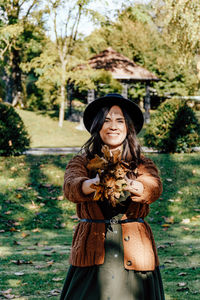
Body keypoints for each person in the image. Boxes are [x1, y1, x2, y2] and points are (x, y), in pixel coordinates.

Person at [60, 93, 165, 300]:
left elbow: (154, 187)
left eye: (120, 121)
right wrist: (91, 184)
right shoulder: (82, 162)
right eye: (107, 120)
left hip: (136, 252)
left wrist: (133, 185)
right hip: (92, 251)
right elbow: (70, 186)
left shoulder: (141, 163)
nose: (113, 126)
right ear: (97, 126)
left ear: (128, 128)